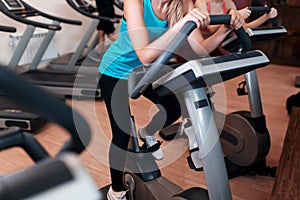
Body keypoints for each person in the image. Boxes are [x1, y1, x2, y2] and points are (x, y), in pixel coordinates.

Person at [98, 0, 244, 199]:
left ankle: (147, 132)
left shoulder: (180, 5)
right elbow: (144, 54)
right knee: (121, 134)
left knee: (173, 107)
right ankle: (116, 191)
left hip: (144, 73)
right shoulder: (135, 3)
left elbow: (199, 49)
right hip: (114, 71)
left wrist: (224, 31)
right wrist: (181, 24)